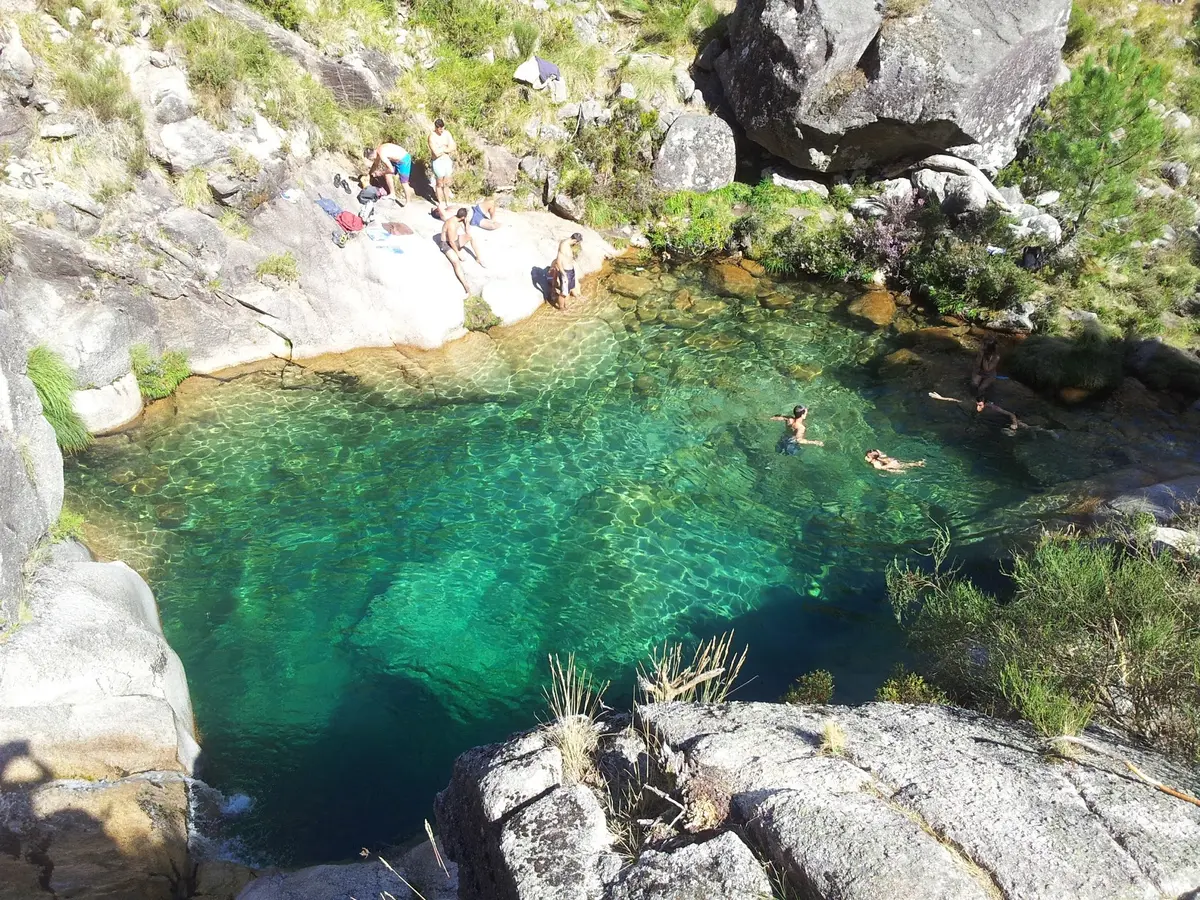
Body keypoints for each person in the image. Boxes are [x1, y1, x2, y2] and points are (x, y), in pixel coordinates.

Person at [440, 207, 484, 295]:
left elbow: (467, 231)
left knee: (471, 237)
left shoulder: (461, 219)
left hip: (456, 240)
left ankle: (479, 258)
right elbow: (451, 242)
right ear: (463, 216)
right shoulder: (451, 223)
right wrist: (458, 253)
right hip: (446, 244)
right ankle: (466, 286)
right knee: (456, 262)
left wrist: (466, 222)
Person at [929, 391, 1026, 431]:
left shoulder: (992, 408)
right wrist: (941, 398)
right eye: (976, 404)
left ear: (984, 404)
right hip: (988, 421)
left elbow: (1010, 414)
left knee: (1022, 426)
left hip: (1002, 419)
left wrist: (1014, 424)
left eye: (980, 405)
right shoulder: (973, 404)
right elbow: (955, 400)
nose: (977, 406)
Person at [548, 233, 583, 308]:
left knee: (568, 289)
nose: (577, 244)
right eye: (577, 242)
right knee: (563, 293)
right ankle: (561, 308)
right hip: (565, 271)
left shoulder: (567, 244)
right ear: (574, 240)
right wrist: (563, 273)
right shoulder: (563, 246)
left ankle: (566, 306)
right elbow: (558, 261)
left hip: (570, 270)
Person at [428, 118, 457, 208]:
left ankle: (447, 201)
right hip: (437, 161)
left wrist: (443, 149)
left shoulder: (447, 134)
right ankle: (440, 202)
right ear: (436, 128)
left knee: (447, 182)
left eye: (442, 128)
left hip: (446, 159)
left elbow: (453, 146)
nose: (441, 131)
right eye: (439, 129)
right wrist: (446, 149)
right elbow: (436, 153)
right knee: (439, 182)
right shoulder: (432, 136)